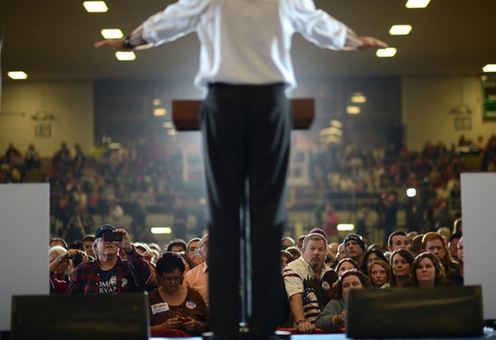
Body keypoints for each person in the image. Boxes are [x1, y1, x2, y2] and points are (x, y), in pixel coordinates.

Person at [95, 1, 386, 337]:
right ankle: (260, 327)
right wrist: (350, 39)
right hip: (266, 100)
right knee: (265, 217)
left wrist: (133, 40)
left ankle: (225, 327)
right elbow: (315, 23)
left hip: (226, 101)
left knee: (224, 217)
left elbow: (172, 19)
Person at [68, 224, 151, 294]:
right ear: (95, 246)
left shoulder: (129, 267)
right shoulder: (84, 269)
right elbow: (72, 298)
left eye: (112, 237)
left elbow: (145, 276)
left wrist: (129, 249)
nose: (108, 241)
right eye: (103, 238)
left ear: (118, 245)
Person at [283, 233, 337, 332]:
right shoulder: (293, 268)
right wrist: (301, 321)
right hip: (306, 332)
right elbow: (295, 297)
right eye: (312, 248)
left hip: (330, 331)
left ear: (325, 253)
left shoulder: (331, 273)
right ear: (303, 251)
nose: (316, 252)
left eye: (320, 249)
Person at [149, 252, 208, 336]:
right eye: (168, 278)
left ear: (182, 275)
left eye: (176, 278)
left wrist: (196, 325)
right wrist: (161, 327)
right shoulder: (151, 299)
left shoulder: (194, 296)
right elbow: (140, 330)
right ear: (159, 277)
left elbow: (210, 325)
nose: (172, 282)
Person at [184, 234, 209, 306]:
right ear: (200, 252)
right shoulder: (190, 276)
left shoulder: (231, 271)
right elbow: (187, 305)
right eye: (207, 244)